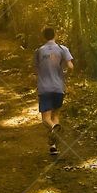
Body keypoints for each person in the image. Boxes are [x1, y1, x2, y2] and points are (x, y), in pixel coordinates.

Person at [33, 27, 74, 155]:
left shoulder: (39, 51)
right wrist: (65, 75)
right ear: (55, 35)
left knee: (46, 119)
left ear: (43, 36)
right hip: (58, 87)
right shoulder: (63, 49)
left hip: (45, 88)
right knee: (55, 115)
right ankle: (54, 146)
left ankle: (53, 128)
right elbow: (71, 66)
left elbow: (36, 68)